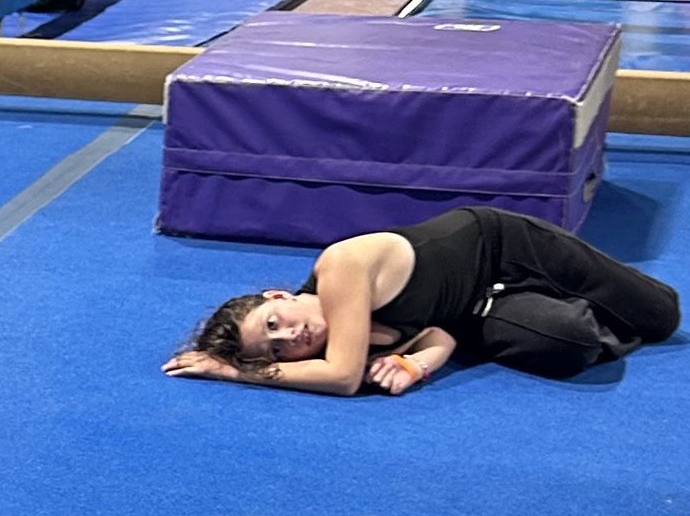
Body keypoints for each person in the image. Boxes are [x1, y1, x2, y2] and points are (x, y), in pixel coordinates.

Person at [166, 207, 680, 391]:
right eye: (276, 350)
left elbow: (344, 380)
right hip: (472, 309)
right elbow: (436, 336)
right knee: (568, 342)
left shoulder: (341, 269)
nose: (290, 338)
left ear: (279, 295)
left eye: (274, 322)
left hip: (505, 249)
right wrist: (417, 366)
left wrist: (236, 372)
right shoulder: (341, 342)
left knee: (660, 316)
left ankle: (569, 289)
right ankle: (563, 311)